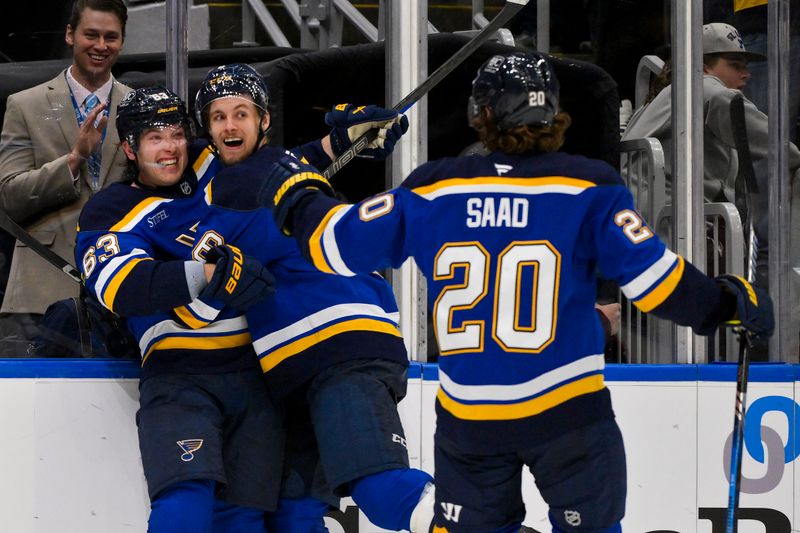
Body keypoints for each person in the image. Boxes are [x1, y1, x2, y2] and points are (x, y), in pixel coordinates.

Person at [259, 51, 775, 533]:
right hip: (569, 417)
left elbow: (335, 246)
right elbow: (659, 285)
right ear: (552, 113)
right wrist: (729, 303)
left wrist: (295, 190)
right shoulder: (588, 188)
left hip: (472, 425)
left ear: (479, 114)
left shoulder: (434, 189)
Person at [189, 63, 435, 533]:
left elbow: (282, 178)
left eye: (241, 113)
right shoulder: (238, 178)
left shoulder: (248, 177)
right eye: (218, 117)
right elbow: (290, 166)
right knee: (297, 512)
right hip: (300, 372)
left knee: (382, 492)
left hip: (338, 350)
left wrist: (326, 158)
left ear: (263, 121)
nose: (229, 125)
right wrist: (341, 143)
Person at [76, 86, 292, 532]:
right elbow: (123, 287)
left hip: (255, 377)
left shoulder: (210, 166)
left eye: (176, 134)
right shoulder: (111, 209)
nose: (170, 147)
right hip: (179, 378)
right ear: (129, 149)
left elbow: (271, 167)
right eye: (154, 138)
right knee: (184, 510)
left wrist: (340, 145)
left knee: (244, 518)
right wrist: (209, 276)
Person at [0, 0, 131, 354]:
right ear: (71, 35)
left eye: (111, 37)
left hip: (122, 292)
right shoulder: (24, 105)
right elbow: (9, 197)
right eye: (91, 34)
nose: (101, 46)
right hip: (40, 294)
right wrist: (74, 160)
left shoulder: (139, 108)